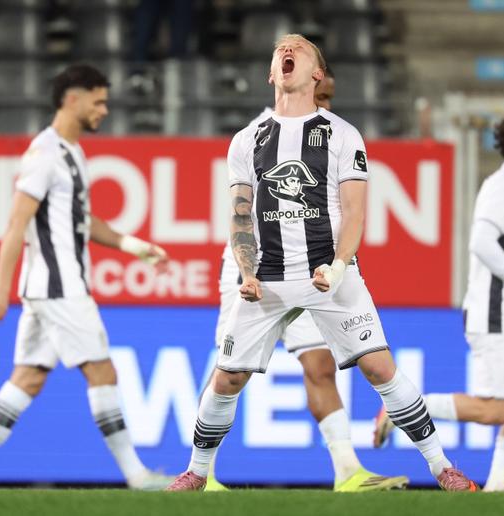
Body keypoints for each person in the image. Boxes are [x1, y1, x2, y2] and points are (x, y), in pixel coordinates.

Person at [166, 34, 477, 492]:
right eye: (280, 49)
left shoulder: (343, 135)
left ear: (317, 73)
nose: (287, 48)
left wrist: (338, 264)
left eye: (300, 47)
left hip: (328, 275)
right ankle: (196, 472)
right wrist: (247, 274)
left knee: (379, 368)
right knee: (227, 377)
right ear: (272, 73)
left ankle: (442, 467)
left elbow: (354, 213)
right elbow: (239, 216)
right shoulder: (246, 141)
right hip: (268, 278)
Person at [0, 64, 172, 491]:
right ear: (73, 98)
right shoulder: (45, 154)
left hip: (48, 288)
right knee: (103, 372)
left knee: (28, 377)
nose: (104, 110)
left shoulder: (72, 152)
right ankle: (137, 475)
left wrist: (133, 246)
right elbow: (17, 223)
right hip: (60, 286)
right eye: (99, 101)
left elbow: (81, 220)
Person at [206, 66, 407, 493]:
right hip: (256, 268)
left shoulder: (332, 136)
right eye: (324, 95)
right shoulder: (257, 134)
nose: (327, 105)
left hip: (306, 269)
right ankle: (201, 473)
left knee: (319, 364)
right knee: (230, 372)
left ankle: (348, 472)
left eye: (331, 97)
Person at [373, 105, 504, 492]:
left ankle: (497, 487)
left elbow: (503, 249)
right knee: (499, 408)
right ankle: (402, 409)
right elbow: (482, 243)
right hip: (494, 310)